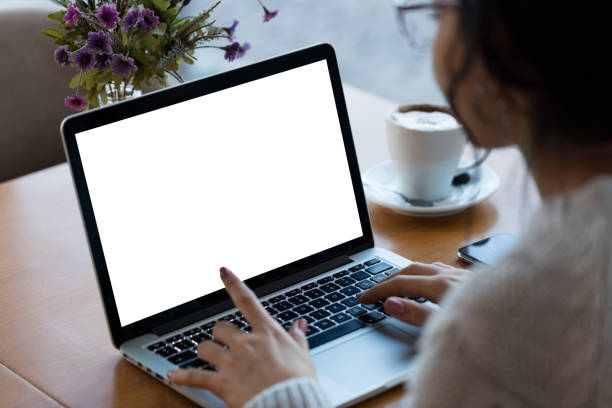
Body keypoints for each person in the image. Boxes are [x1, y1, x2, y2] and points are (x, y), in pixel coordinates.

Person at [167, 1, 612, 406]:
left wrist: (285, 394)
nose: (433, 39)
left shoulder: (501, 322)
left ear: (504, 49)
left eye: (439, 14)